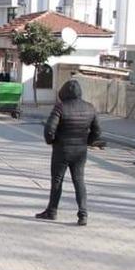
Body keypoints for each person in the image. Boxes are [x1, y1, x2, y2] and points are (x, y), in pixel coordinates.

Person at [36, 80, 101, 226]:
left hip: (61, 150)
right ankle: (83, 214)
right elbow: (98, 131)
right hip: (80, 151)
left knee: (57, 180)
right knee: (79, 181)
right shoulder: (90, 108)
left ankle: (52, 211)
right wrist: (87, 141)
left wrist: (51, 141)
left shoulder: (60, 107)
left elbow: (49, 130)